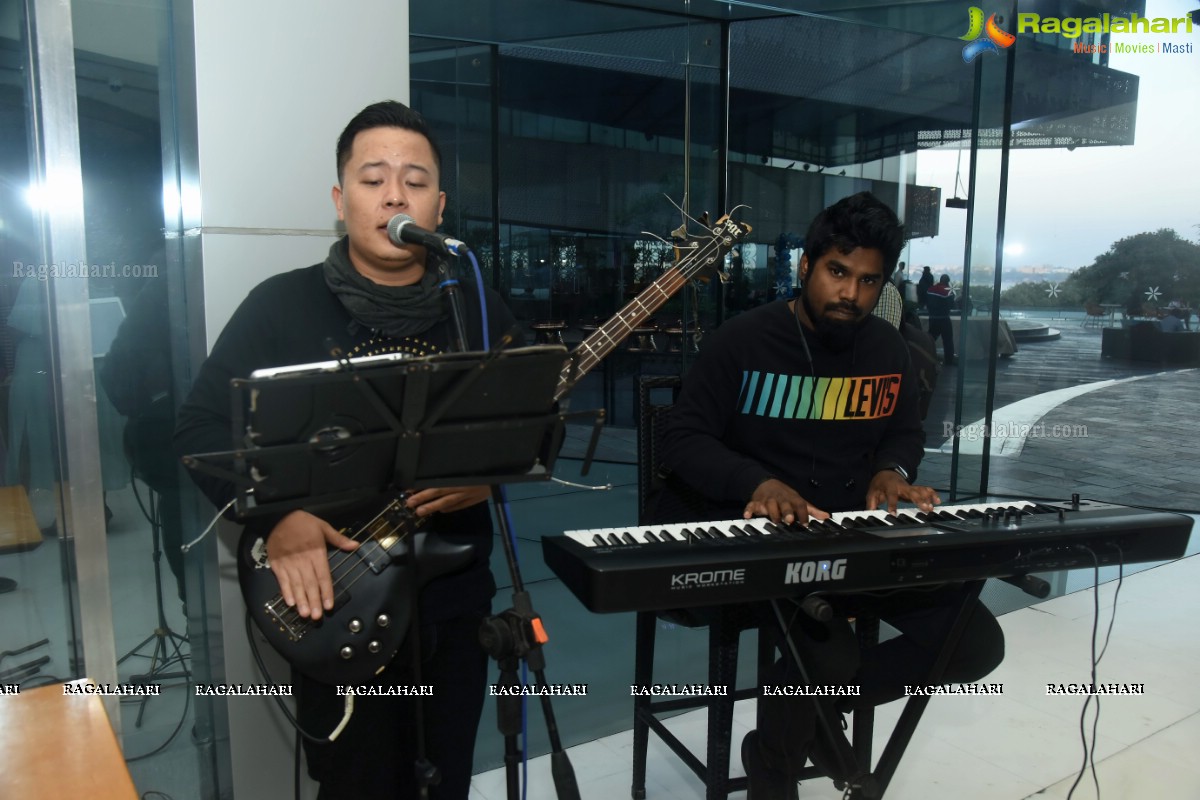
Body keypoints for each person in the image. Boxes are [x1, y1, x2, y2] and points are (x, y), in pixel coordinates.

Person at [174, 101, 518, 800]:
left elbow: (534, 421)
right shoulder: (279, 306)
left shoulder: (478, 312)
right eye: (373, 178)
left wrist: (492, 473)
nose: (396, 194)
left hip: (454, 601)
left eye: (415, 180)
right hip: (332, 595)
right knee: (355, 782)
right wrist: (276, 518)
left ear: (439, 205)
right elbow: (198, 429)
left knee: (444, 779)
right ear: (341, 201)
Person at [657, 192, 1003, 799]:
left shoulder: (887, 349)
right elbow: (682, 440)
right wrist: (757, 483)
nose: (851, 294)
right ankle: (775, 768)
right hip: (768, 542)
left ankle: (809, 719)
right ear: (805, 267)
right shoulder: (742, 342)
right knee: (829, 654)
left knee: (974, 643)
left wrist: (892, 470)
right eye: (837, 273)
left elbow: (903, 431)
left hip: (857, 536)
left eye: (869, 281)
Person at [925, 273, 957, 365]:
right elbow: (952, 305)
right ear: (947, 282)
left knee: (930, 339)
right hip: (944, 319)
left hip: (933, 318)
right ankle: (949, 360)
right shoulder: (947, 292)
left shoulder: (930, 289)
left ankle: (925, 355)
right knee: (947, 340)